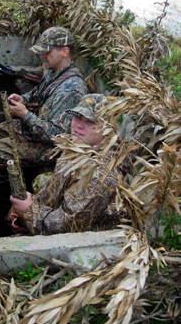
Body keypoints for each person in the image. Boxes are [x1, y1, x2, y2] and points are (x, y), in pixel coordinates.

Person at [0, 26, 89, 183]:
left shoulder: (72, 89)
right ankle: (14, 167)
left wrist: (25, 115)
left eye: (47, 51)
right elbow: (38, 92)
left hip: (48, 147)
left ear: (64, 51)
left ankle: (5, 188)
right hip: (33, 128)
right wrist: (24, 99)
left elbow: (57, 137)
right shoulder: (53, 71)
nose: (42, 55)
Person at [10, 94, 129, 235]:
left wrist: (29, 212)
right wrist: (28, 207)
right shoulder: (79, 145)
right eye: (77, 117)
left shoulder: (98, 175)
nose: (78, 125)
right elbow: (53, 191)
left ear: (109, 130)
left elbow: (65, 228)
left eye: (90, 121)